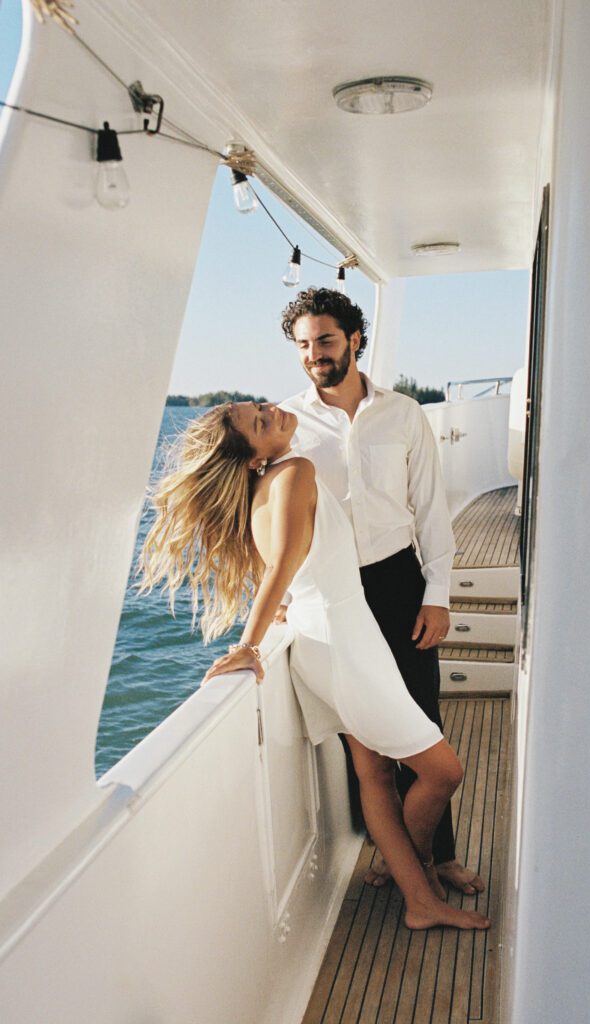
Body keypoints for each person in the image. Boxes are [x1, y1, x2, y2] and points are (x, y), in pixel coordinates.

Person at [139, 400, 489, 932]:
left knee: (374, 776)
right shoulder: (295, 472)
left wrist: (272, 619)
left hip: (322, 639)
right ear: (252, 457)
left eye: (257, 406)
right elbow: (282, 565)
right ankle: (415, 878)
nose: (270, 411)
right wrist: (250, 645)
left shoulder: (265, 487)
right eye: (259, 423)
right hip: (344, 640)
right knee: (444, 772)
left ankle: (418, 897)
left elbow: (288, 563)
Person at [279, 288, 484, 897]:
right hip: (334, 593)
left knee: (422, 718)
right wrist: (287, 592)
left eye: (326, 341)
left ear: (355, 340)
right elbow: (272, 518)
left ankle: (436, 858)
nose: (316, 354)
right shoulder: (288, 422)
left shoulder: (404, 415)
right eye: (305, 345)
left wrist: (438, 593)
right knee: (366, 739)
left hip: (397, 581)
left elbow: (431, 511)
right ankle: (396, 857)